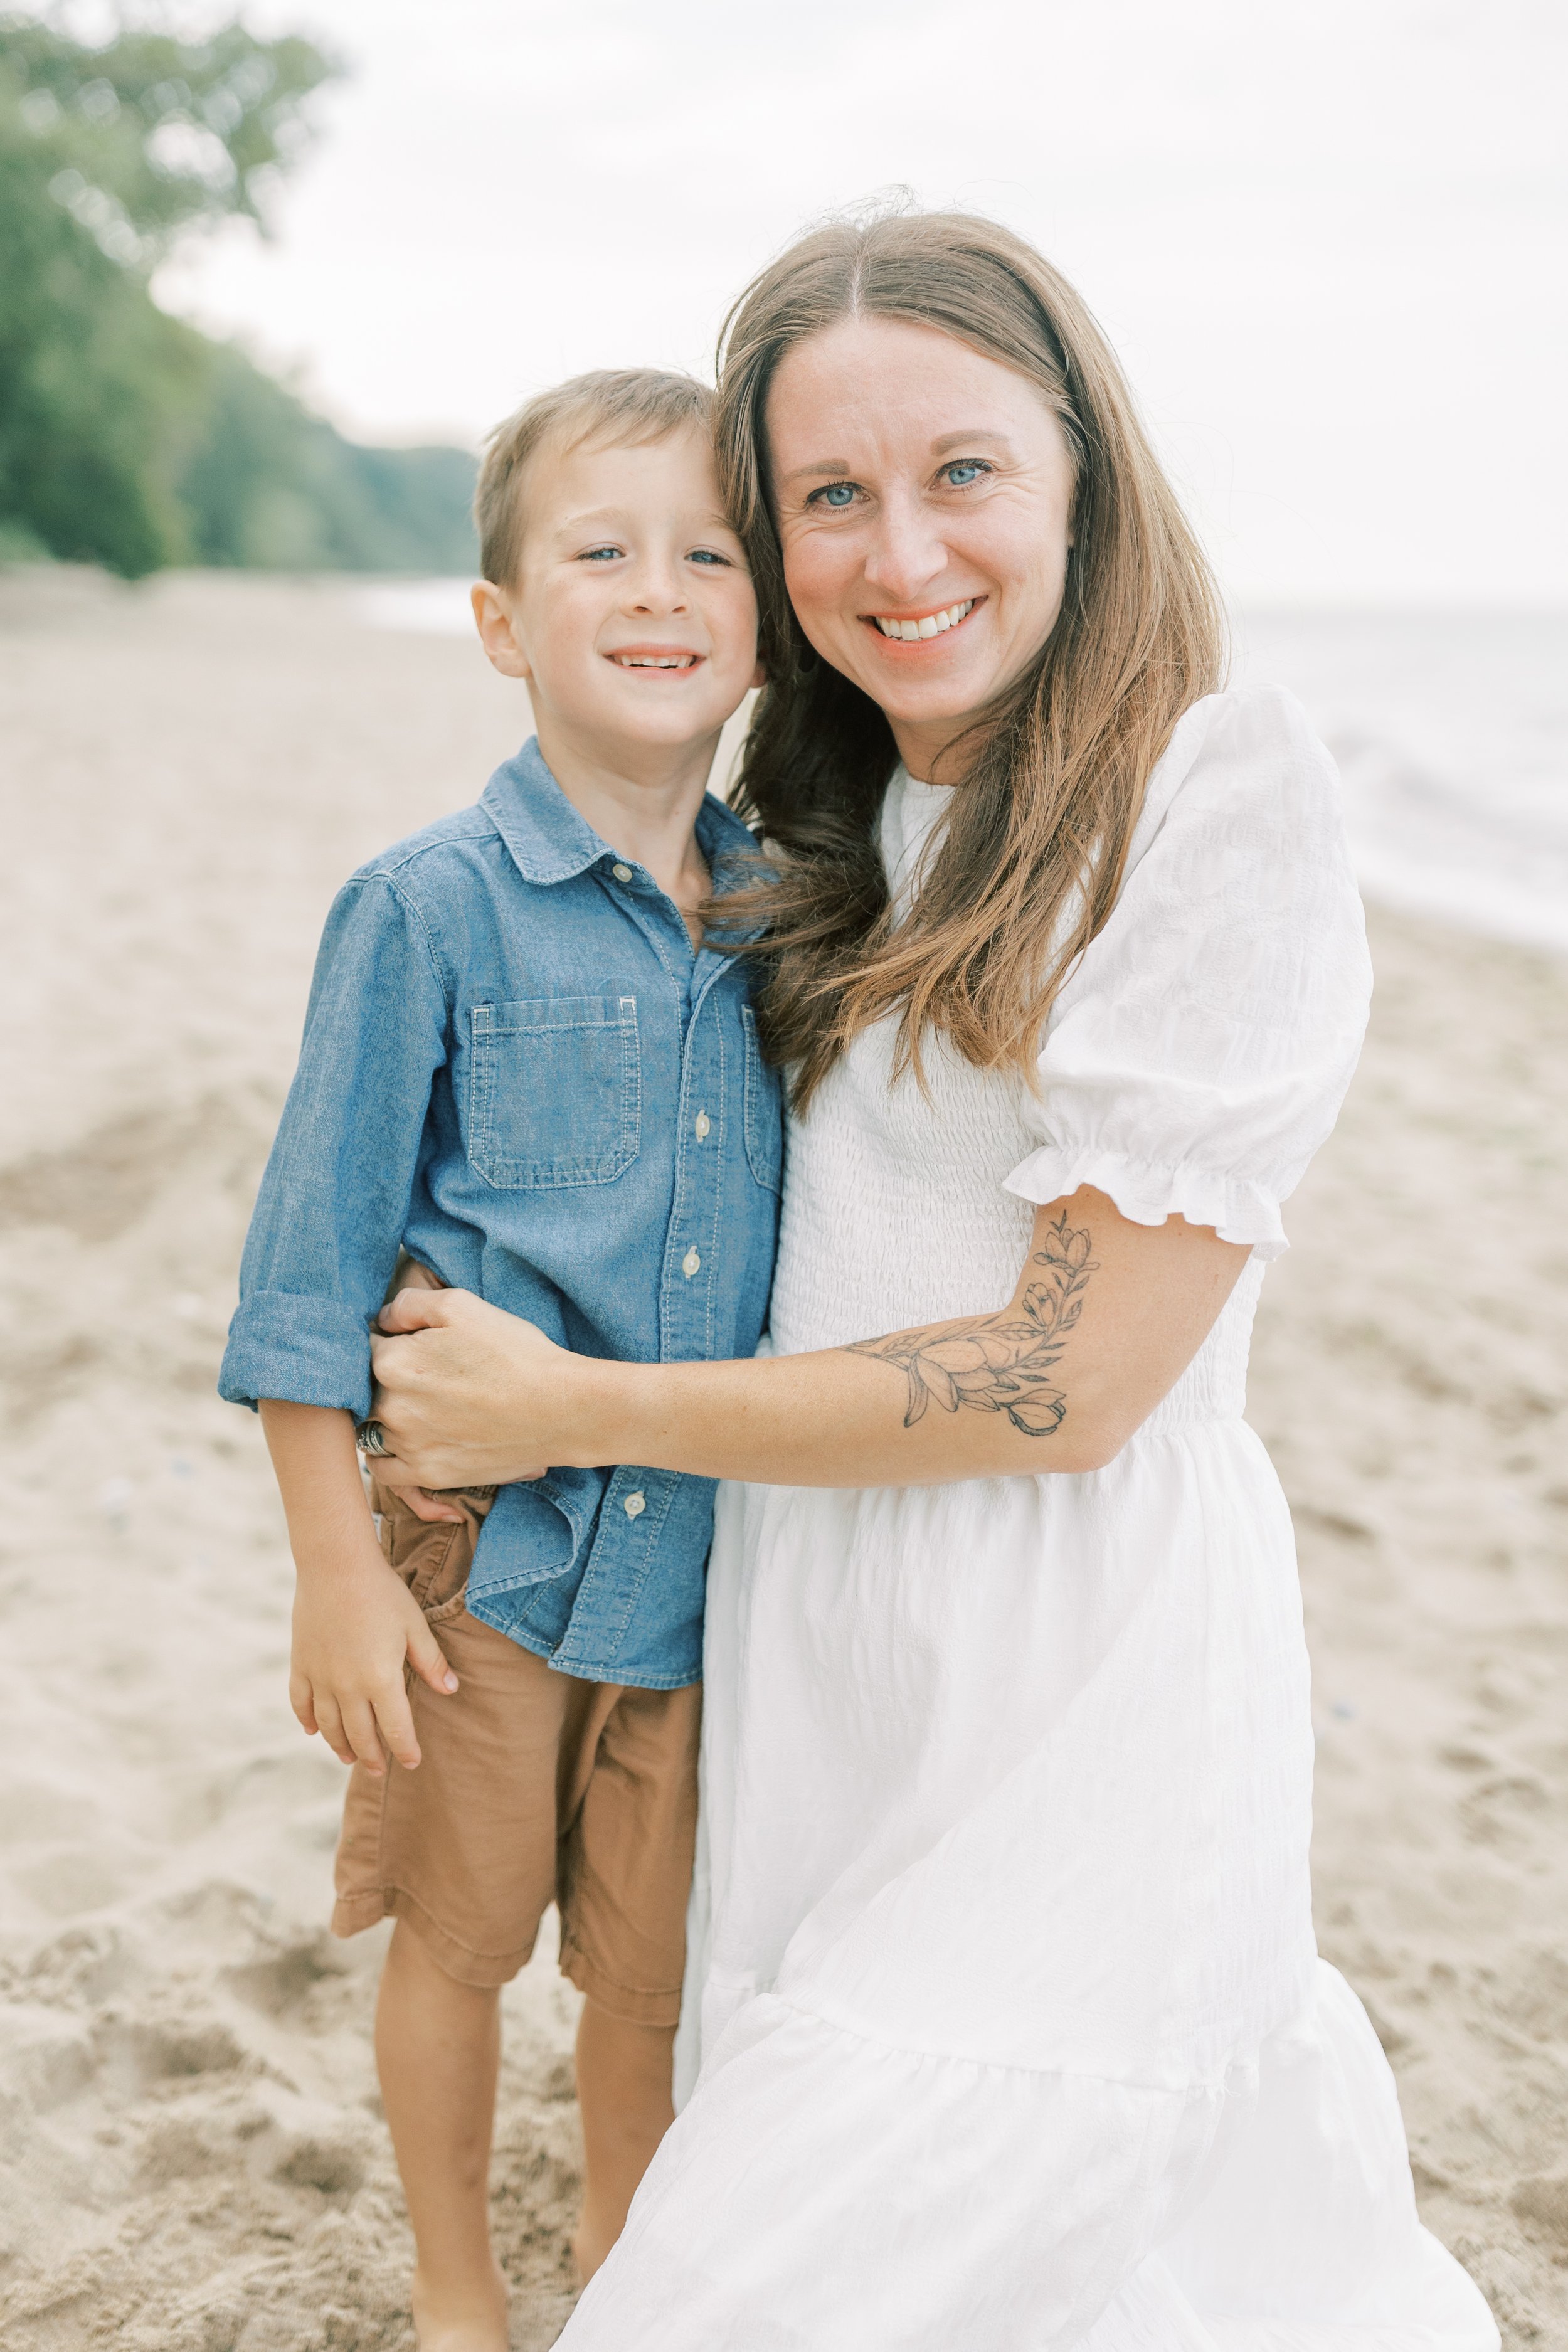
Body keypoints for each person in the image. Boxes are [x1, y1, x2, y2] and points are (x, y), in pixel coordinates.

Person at [364, 215, 1498, 2348]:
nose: (901, 555)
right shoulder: (828, 813)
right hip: (805, 1645)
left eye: (963, 471)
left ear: (1081, 468)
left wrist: (570, 1410)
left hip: (1072, 1671)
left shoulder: (1204, 793)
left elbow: (1070, 1385)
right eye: (827, 497)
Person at [217, 368, 780, 2349]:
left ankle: (620, 2292)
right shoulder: (423, 912)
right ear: (499, 621)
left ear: (767, 616)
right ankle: (460, 2294)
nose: (659, 589)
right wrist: (332, 1568)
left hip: (711, 1576)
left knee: (646, 1990)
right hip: (484, 1573)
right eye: (599, 549)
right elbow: (308, 1271)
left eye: (710, 551)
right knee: (455, 1950)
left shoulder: (796, 923)